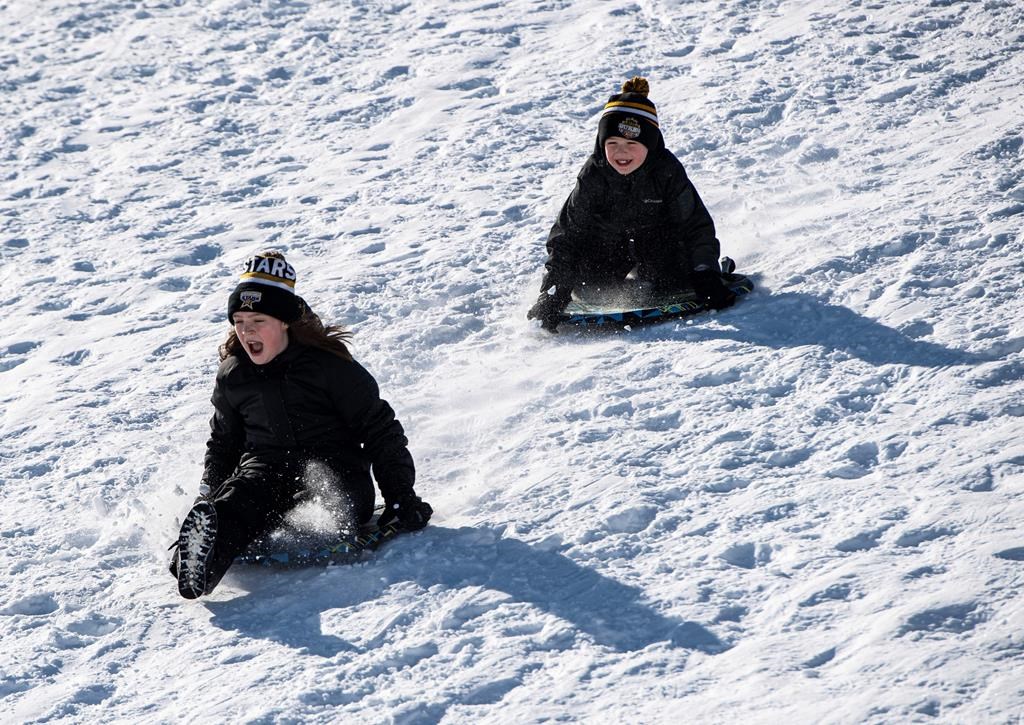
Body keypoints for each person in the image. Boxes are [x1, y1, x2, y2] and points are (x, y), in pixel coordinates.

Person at [171, 251, 432, 599]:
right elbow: (223, 443)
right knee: (238, 502)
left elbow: (380, 430)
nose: (247, 330)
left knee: (328, 507)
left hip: (334, 468)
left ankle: (246, 530)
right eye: (239, 321)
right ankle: (201, 555)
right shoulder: (235, 375)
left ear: (284, 322)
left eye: (258, 320)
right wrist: (209, 494)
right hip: (264, 468)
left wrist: (401, 497)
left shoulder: (330, 368)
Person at [527, 76, 736, 333]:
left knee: (675, 273)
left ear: (649, 145)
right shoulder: (594, 175)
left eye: (631, 144)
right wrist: (554, 289)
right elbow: (567, 235)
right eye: (612, 143)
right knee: (586, 277)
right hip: (610, 250)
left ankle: (678, 276)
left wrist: (706, 272)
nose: (621, 152)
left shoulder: (666, 172)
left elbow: (695, 226)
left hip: (659, 249)